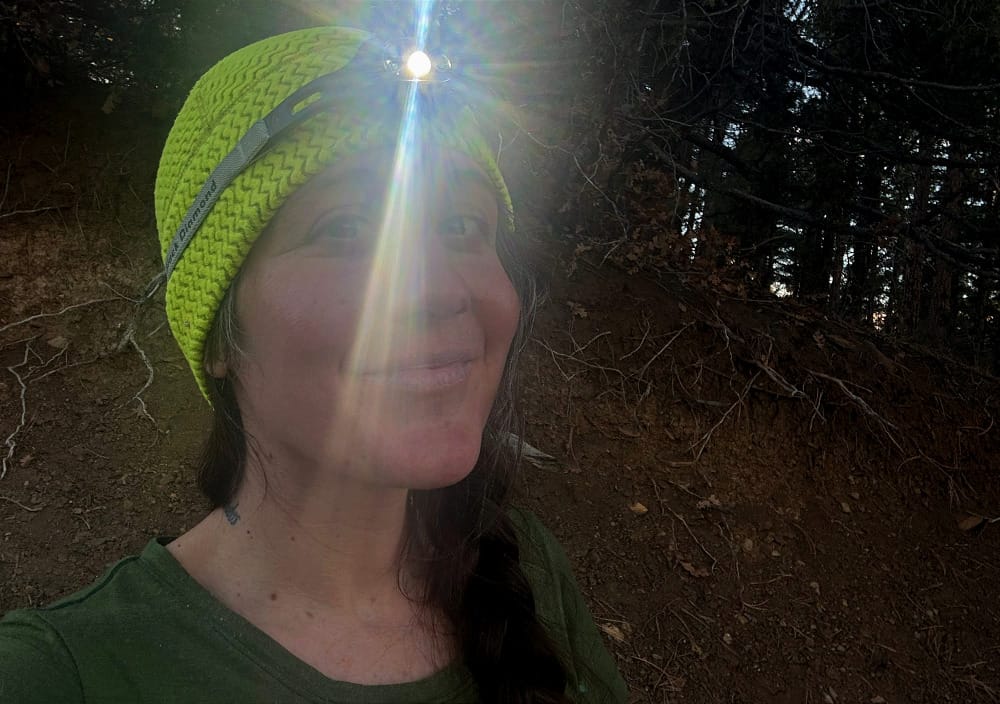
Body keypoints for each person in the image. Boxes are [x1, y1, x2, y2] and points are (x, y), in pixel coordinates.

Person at [0, 25, 627, 704]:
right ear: (217, 336)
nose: (443, 290)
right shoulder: (60, 675)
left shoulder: (528, 569)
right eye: (346, 230)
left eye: (461, 227)